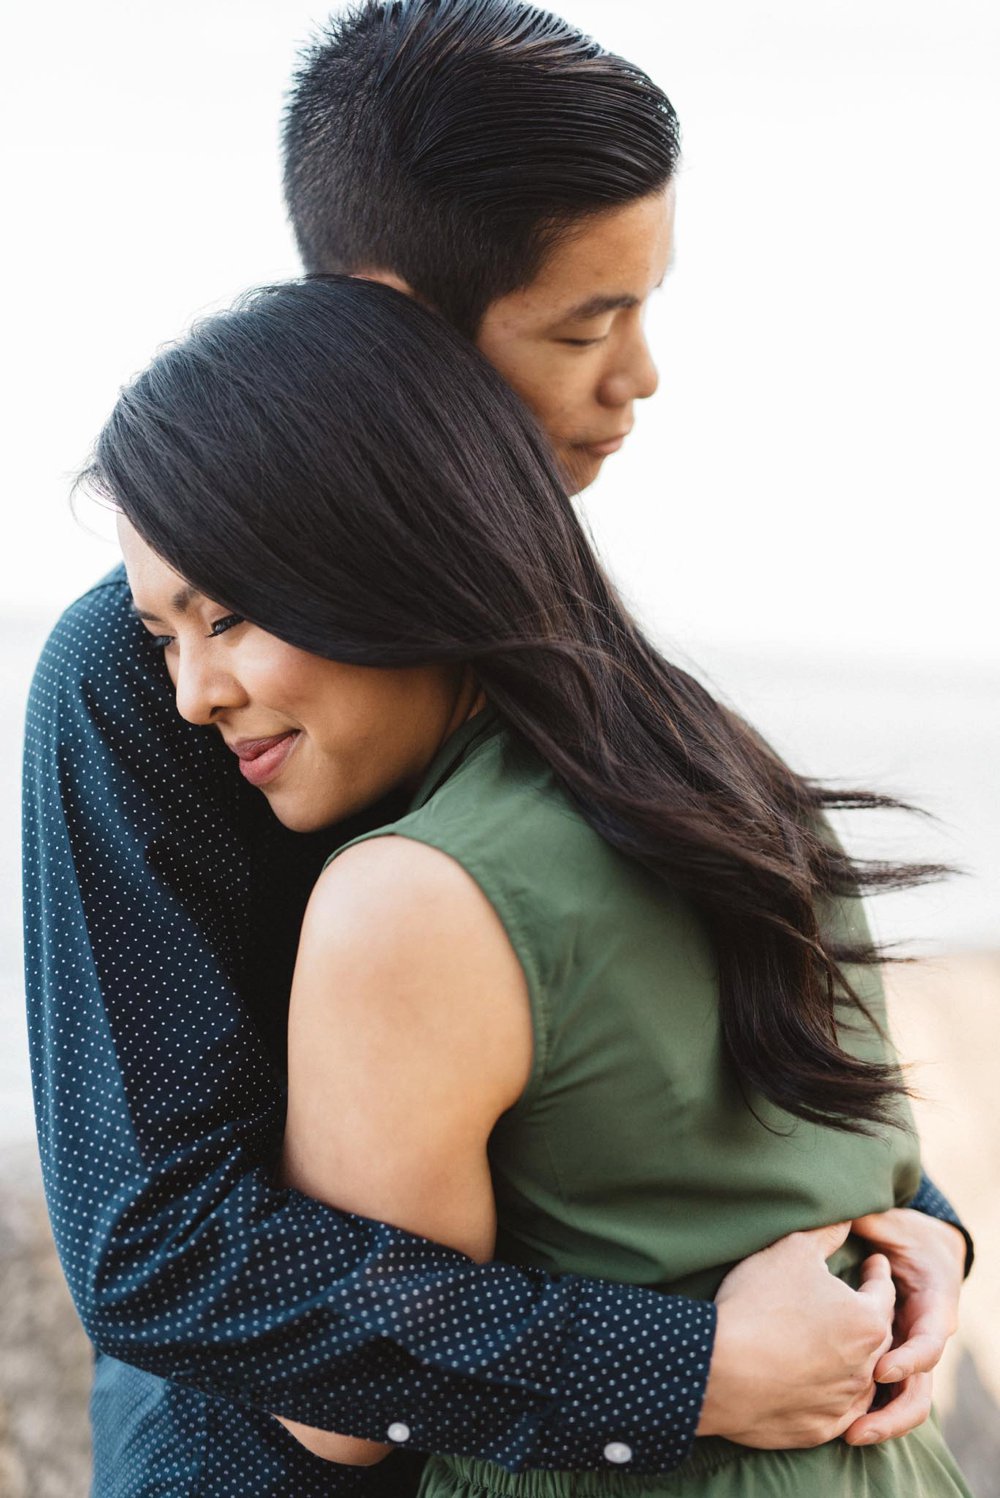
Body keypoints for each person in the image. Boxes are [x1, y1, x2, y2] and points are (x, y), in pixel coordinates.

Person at [22, 2, 968, 1493]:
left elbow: (666, 1039)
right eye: (588, 320)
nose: (641, 373)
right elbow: (160, 1242)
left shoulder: (567, 649)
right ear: (393, 330)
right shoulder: (144, 678)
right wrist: (684, 1366)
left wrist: (907, 1224)